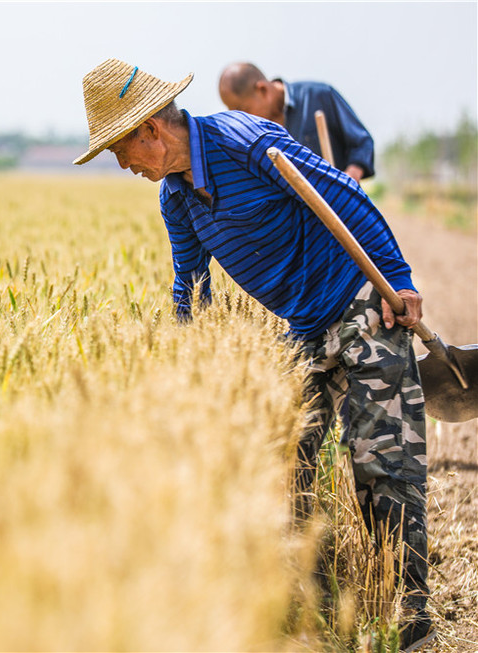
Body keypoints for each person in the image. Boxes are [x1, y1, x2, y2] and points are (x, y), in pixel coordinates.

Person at [73, 58, 432, 651]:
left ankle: (412, 612)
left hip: (356, 302)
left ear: (150, 132)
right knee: (279, 460)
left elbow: (344, 195)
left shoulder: (248, 142)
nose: (123, 165)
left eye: (118, 150)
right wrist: (197, 357)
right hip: (303, 329)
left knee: (384, 467)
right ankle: (314, 611)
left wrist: (396, 277)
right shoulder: (176, 200)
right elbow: (190, 284)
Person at [218, 62, 374, 182]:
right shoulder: (253, 135)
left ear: (262, 90)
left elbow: (362, 143)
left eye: (244, 109)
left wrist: (349, 180)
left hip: (345, 213)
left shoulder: (319, 96)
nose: (244, 118)